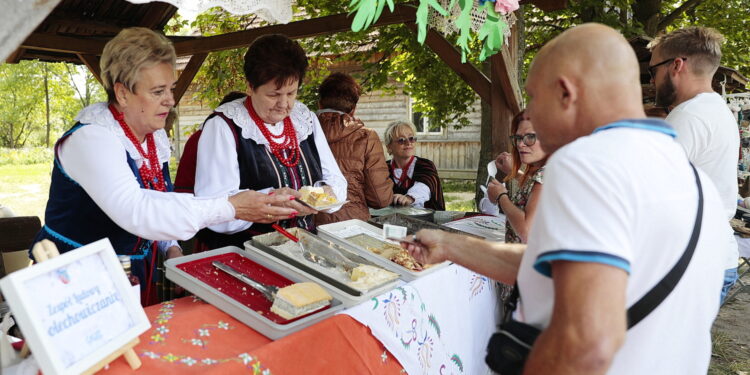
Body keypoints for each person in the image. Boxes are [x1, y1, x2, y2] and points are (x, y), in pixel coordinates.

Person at [402, 23, 728, 374]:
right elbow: (565, 266)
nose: (532, 120)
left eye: (534, 98)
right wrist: (450, 246)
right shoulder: (694, 178)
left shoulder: (587, 162)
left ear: (565, 93)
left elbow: (586, 344)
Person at [30, 28, 296, 305]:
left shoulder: (151, 135)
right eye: (158, 91)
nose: (170, 100)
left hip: (133, 272)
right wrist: (231, 206)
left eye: (170, 88)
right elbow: (138, 211)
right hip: (77, 282)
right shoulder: (93, 139)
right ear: (122, 93)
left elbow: (159, 196)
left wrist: (171, 248)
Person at [191, 34, 347, 248]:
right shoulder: (223, 126)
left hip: (302, 248)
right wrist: (269, 200)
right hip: (245, 253)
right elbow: (214, 206)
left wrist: (326, 195)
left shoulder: (305, 119)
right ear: (250, 86)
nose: (284, 104)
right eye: (274, 95)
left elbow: (337, 183)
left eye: (291, 93)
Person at [649, 27, 740, 303]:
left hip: (694, 262)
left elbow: (651, 194)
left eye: (653, 71)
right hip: (711, 254)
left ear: (676, 65)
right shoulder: (714, 109)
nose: (652, 81)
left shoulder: (689, 117)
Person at [314, 72, 393, 225]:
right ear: (353, 109)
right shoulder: (366, 137)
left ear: (320, 104)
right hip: (352, 225)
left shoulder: (300, 133)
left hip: (306, 224)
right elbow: (380, 199)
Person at [488, 111, 547, 243]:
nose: (521, 144)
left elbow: (527, 231)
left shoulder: (547, 174)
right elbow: (534, 191)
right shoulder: (548, 172)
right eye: (518, 138)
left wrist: (501, 196)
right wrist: (513, 172)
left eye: (530, 137)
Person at [384, 121, 445, 210]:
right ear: (389, 146)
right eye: (401, 140)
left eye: (411, 138)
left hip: (425, 220)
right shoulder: (383, 169)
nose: (408, 143)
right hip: (389, 220)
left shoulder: (425, 165)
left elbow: (425, 185)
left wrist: (409, 198)